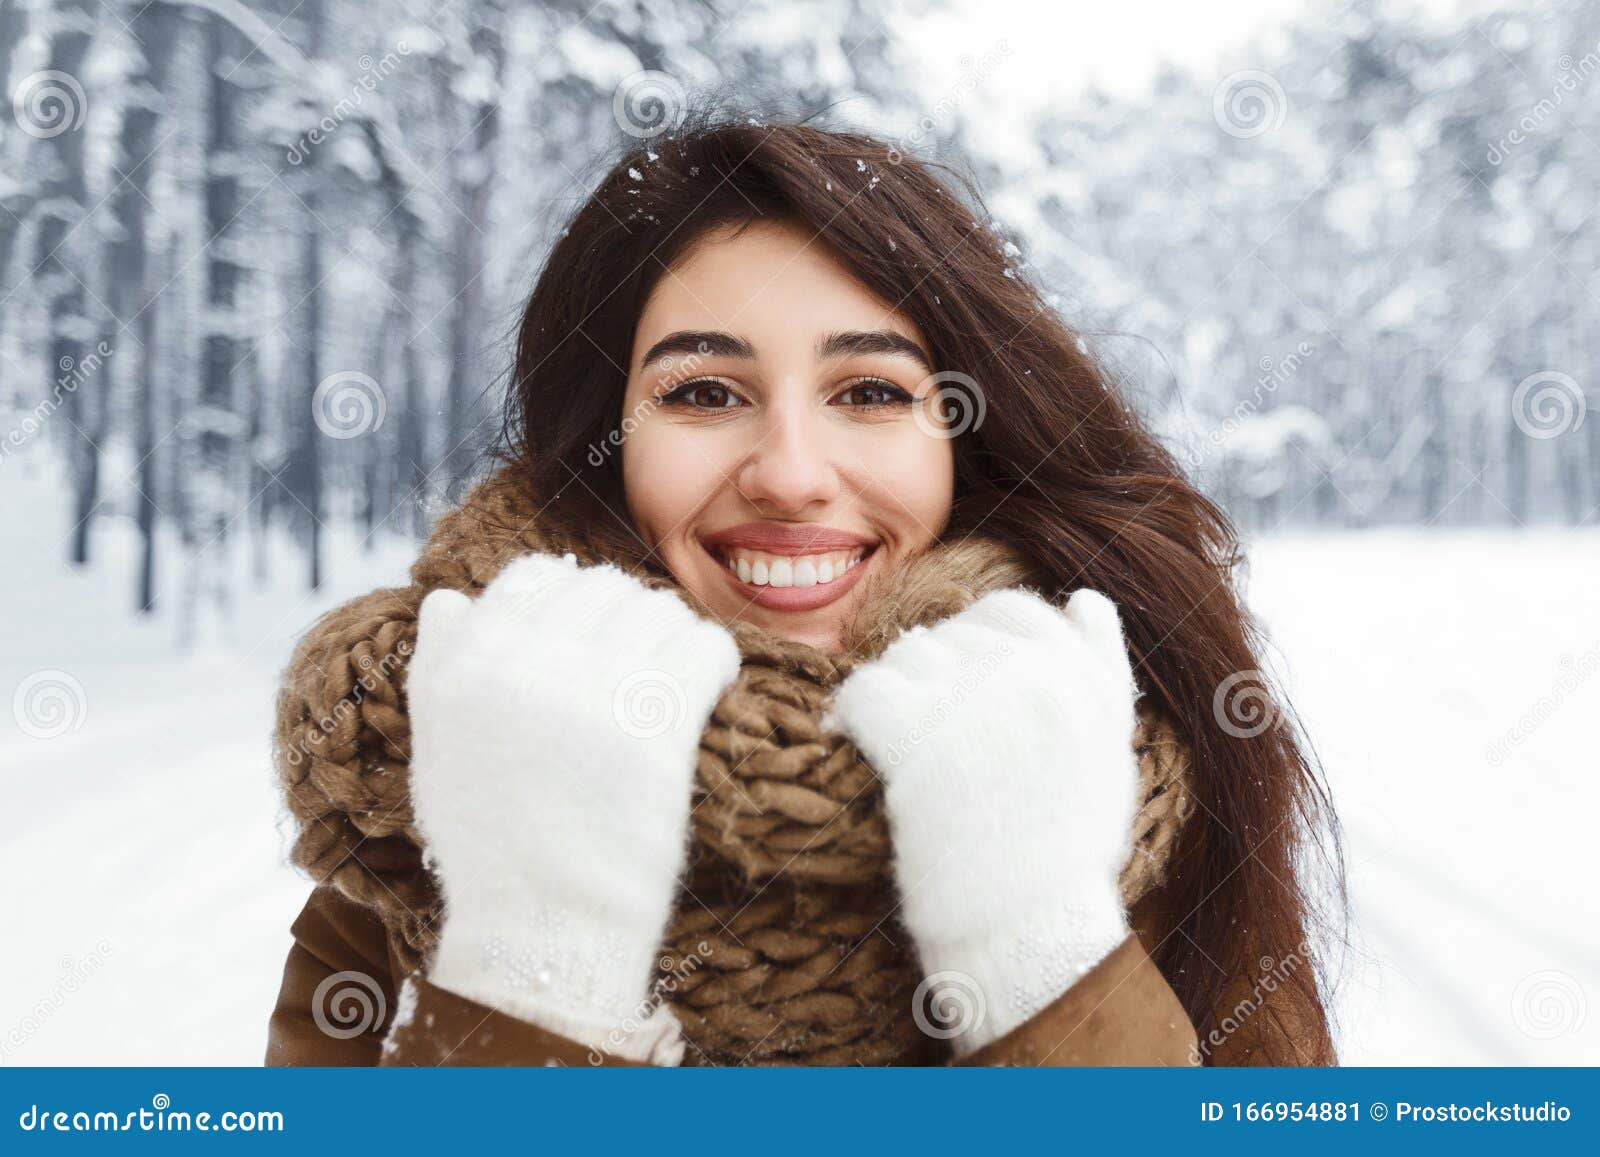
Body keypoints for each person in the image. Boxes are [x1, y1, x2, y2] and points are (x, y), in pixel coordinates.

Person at [265, 112, 1342, 1067]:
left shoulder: (1147, 789)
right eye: (702, 391)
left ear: (966, 436)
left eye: (869, 390)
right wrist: (535, 961)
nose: (789, 471)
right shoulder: (436, 791)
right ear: (606, 445)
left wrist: (1042, 959)